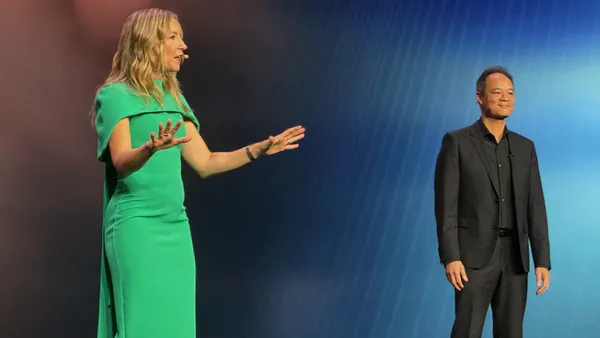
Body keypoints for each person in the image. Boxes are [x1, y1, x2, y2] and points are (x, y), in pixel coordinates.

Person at [93, 8, 305, 338]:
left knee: (176, 327)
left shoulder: (173, 98)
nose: (184, 46)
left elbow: (206, 162)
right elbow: (121, 161)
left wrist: (257, 150)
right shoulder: (115, 96)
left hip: (175, 228)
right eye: (174, 37)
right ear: (149, 42)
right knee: (142, 327)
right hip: (136, 228)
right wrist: (150, 147)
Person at [433, 66, 551, 338]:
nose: (504, 98)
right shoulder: (457, 142)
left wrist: (542, 259)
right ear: (479, 98)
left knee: (511, 332)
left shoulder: (525, 147)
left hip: (515, 258)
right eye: (496, 92)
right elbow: (445, 205)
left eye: (510, 93)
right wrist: (451, 256)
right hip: (472, 259)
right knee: (467, 331)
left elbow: (536, 206)